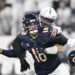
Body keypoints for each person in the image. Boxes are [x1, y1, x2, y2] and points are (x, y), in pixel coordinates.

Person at [0, 11, 70, 75]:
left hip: (57, 68)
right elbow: (14, 52)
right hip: (41, 72)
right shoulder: (25, 38)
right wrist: (2, 51)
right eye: (30, 24)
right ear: (25, 26)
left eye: (34, 23)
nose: (33, 26)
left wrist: (46, 50)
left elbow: (60, 48)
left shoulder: (46, 32)